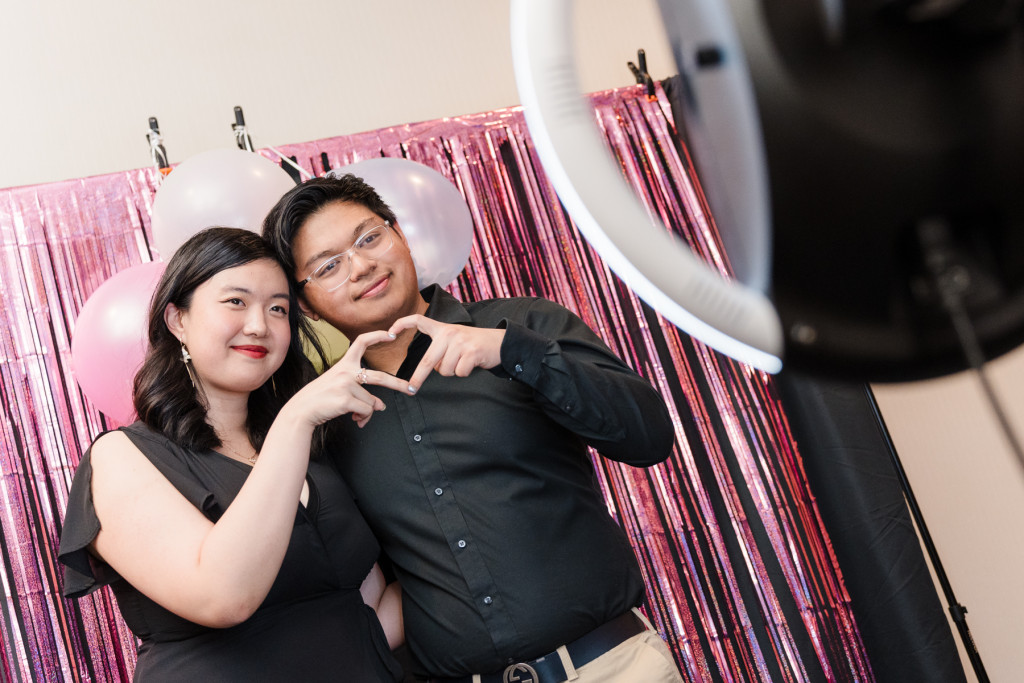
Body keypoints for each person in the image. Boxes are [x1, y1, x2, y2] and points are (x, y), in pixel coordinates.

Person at [263, 174, 685, 683]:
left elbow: (649, 436)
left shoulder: (523, 323)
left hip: (613, 668)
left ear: (399, 233)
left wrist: (512, 352)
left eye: (369, 238)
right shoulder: (330, 418)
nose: (361, 266)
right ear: (305, 304)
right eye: (329, 266)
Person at [58, 227, 413, 682]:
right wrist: (294, 420)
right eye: (235, 302)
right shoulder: (121, 458)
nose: (259, 325)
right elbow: (223, 597)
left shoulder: (311, 451)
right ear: (177, 320)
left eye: (278, 308)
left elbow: (367, 610)